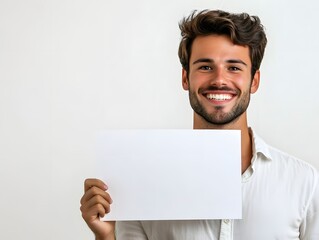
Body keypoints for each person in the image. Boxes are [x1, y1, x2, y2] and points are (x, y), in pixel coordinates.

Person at [80, 9, 319, 240]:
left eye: (234, 68)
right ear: (186, 78)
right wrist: (106, 236)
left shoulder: (303, 182)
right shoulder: (143, 182)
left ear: (254, 81)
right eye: (205, 67)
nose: (219, 80)